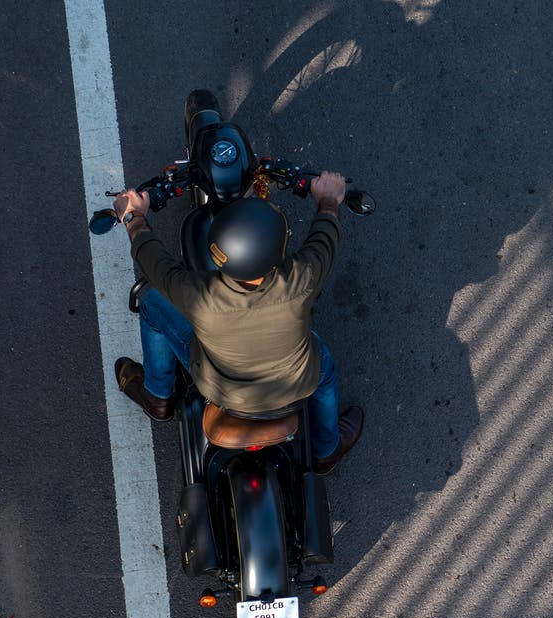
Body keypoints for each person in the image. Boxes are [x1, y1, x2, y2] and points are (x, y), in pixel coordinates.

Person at [110, 173, 364, 475]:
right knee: (324, 371)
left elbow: (154, 261)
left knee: (152, 303)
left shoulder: (199, 296)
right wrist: (328, 200)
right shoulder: (300, 278)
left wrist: (134, 216)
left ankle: (158, 395)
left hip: (224, 394)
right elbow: (325, 237)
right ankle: (326, 450)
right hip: (295, 387)